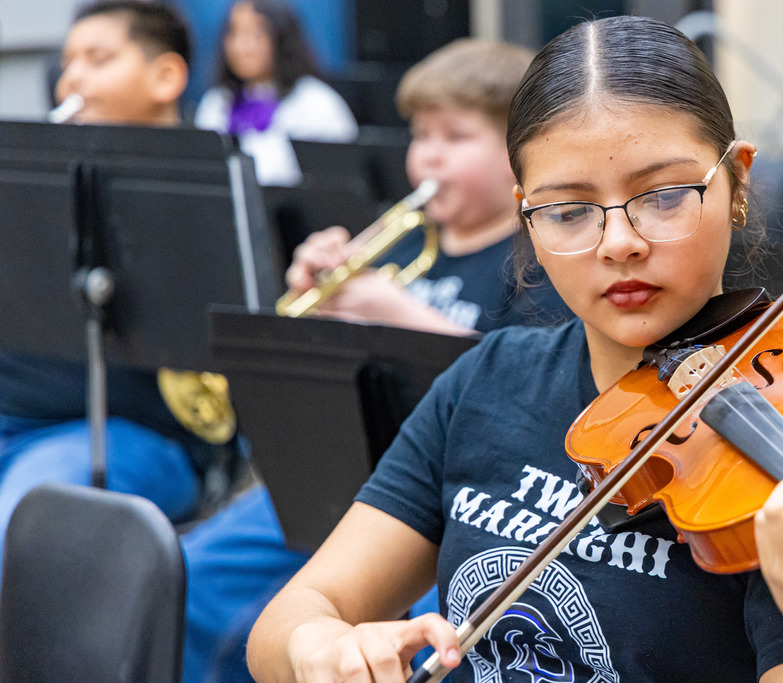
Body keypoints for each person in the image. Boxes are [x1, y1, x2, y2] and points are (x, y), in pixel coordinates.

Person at [246, 15, 783, 683]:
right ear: (527, 217)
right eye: (569, 211)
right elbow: (294, 614)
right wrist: (318, 645)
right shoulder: (487, 379)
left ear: (737, 184)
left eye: (662, 197)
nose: (618, 242)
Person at [181, 38, 569, 683]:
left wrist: (399, 314)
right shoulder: (404, 242)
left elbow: (533, 385)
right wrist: (320, 301)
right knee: (190, 576)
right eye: (421, 135)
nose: (430, 156)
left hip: (449, 502)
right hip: (337, 474)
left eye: (456, 135)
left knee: (409, 641)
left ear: (518, 156)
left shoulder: (539, 262)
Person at [0, 2, 217, 555]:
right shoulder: (31, 180)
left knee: (17, 534)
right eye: (68, 60)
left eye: (97, 59)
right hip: (15, 418)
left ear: (165, 76)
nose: (73, 76)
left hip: (134, 434)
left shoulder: (207, 196)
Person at [193, 0, 357, 186]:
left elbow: (343, 180)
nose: (242, 47)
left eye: (256, 34)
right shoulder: (217, 103)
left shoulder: (316, 103)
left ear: (282, 38)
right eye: (234, 32)